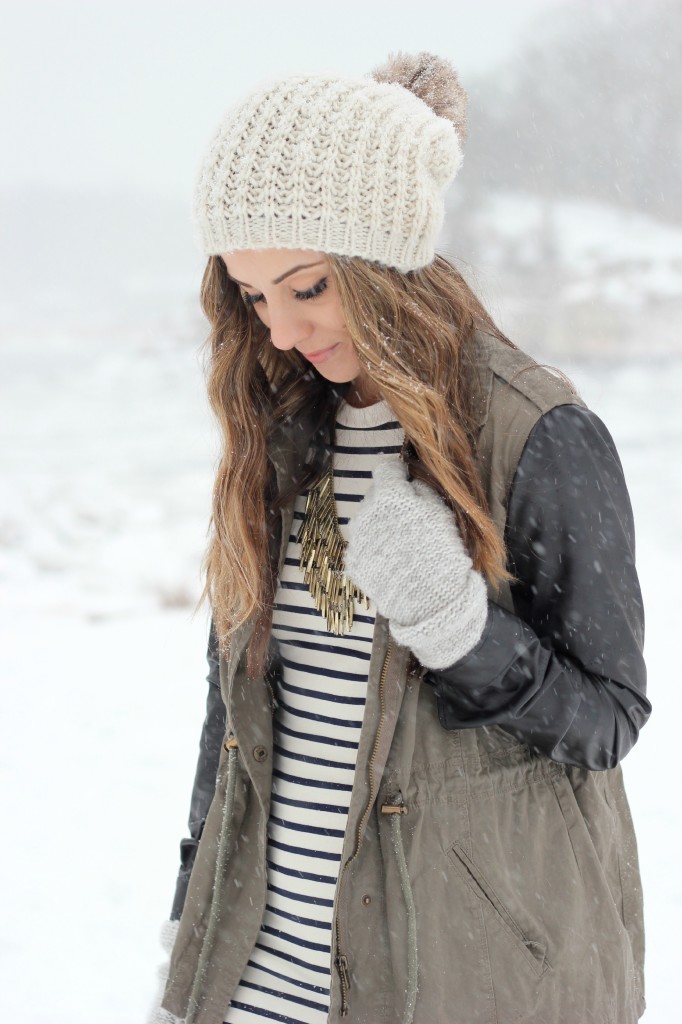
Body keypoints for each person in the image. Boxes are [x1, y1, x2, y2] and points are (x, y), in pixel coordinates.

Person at [149, 52, 650, 1024]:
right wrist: (189, 916)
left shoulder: (535, 434)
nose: (283, 332)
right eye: (254, 297)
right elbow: (234, 719)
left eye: (307, 286)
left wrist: (460, 627)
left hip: (455, 981)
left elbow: (607, 718)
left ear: (384, 260)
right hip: (257, 983)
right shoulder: (278, 429)